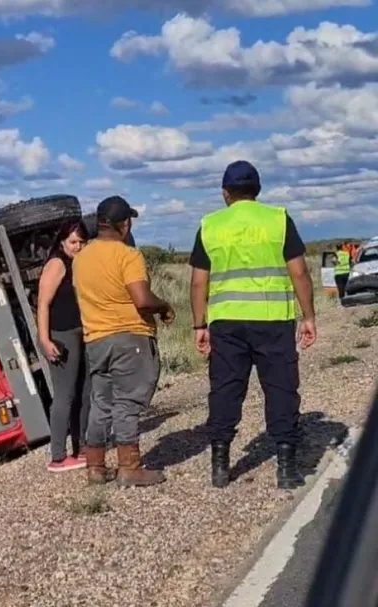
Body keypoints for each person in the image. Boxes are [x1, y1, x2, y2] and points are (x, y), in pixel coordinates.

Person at [188, 160, 317, 491]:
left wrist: (199, 325)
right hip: (273, 320)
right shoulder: (278, 219)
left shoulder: (210, 225)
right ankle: (286, 467)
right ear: (257, 190)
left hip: (227, 323)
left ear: (225, 193)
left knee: (226, 390)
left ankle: (220, 465)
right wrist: (308, 317)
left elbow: (199, 281)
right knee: (281, 388)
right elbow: (299, 272)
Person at [72, 196, 175, 488]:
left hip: (96, 340)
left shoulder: (80, 259)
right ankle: (129, 467)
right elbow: (142, 300)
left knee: (101, 403)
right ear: (125, 224)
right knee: (127, 402)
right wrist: (164, 307)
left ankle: (95, 467)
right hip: (130, 338)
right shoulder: (128, 255)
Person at [36, 219, 91, 472]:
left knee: (84, 392)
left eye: (82, 242)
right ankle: (58, 456)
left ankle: (83, 446)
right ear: (62, 242)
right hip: (62, 334)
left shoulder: (78, 264)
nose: (77, 246)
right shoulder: (57, 264)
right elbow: (43, 304)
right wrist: (45, 339)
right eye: (73, 242)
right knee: (64, 396)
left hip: (82, 333)